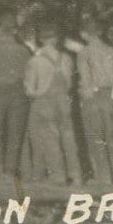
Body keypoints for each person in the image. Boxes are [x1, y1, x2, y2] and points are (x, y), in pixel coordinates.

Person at [23, 19, 83, 185]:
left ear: (41, 40)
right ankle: (76, 175)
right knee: (69, 138)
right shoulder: (67, 58)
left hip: (44, 102)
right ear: (57, 38)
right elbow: (70, 83)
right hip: (64, 100)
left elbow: (29, 88)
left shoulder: (35, 61)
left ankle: (58, 176)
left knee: (51, 139)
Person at [67, 16, 113, 183]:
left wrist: (85, 97)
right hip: (110, 95)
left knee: (96, 137)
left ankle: (104, 177)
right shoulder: (112, 51)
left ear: (85, 34)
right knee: (112, 136)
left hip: (93, 96)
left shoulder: (84, 53)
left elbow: (85, 78)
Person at [0, 12, 32, 178]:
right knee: (15, 132)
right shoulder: (24, 51)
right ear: (15, 31)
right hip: (18, 92)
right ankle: (10, 169)